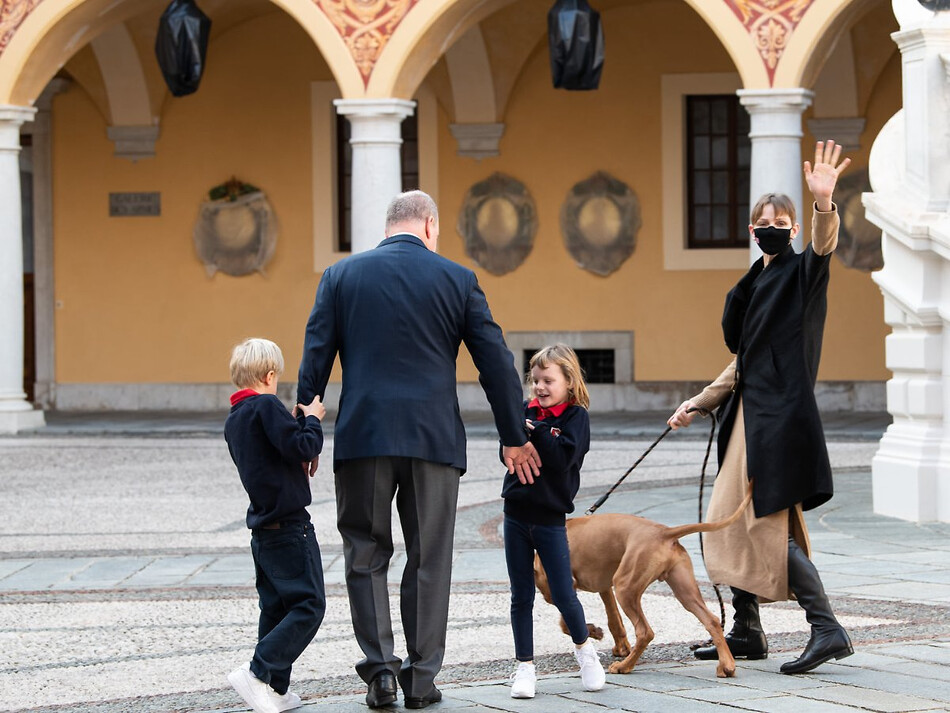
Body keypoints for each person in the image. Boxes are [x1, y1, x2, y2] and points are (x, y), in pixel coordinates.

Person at [296, 190, 541, 710]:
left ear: (389, 227)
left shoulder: (340, 277)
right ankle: (421, 678)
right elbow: (495, 362)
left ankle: (380, 674)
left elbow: (314, 359)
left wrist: (306, 437)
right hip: (433, 439)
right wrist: (514, 437)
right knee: (429, 558)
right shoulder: (457, 279)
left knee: (364, 554)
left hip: (364, 436)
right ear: (429, 225)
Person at [668, 140, 854, 675]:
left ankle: (826, 626)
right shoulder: (754, 283)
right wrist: (699, 403)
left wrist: (823, 203)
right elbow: (745, 361)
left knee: (762, 524)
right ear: (752, 230)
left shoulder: (801, 274)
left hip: (776, 420)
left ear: (793, 229)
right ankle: (747, 629)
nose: (770, 225)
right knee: (728, 521)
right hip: (750, 417)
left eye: (781, 220)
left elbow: (824, 247)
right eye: (762, 220)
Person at [223, 338, 327, 713]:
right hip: (290, 528)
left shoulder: (236, 417)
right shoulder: (267, 405)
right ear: (269, 375)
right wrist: (312, 417)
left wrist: (295, 427)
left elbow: (277, 449)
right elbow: (301, 447)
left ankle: (276, 690)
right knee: (309, 605)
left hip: (264, 530)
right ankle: (258, 672)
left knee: (276, 609)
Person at [501, 345, 606, 699]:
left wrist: (540, 432)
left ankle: (585, 651)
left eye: (548, 380)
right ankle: (525, 667)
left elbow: (564, 459)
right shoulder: (523, 411)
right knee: (521, 595)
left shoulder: (576, 418)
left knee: (563, 593)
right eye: (535, 380)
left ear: (569, 382)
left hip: (549, 520)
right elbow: (509, 450)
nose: (540, 387)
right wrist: (518, 435)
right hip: (515, 515)